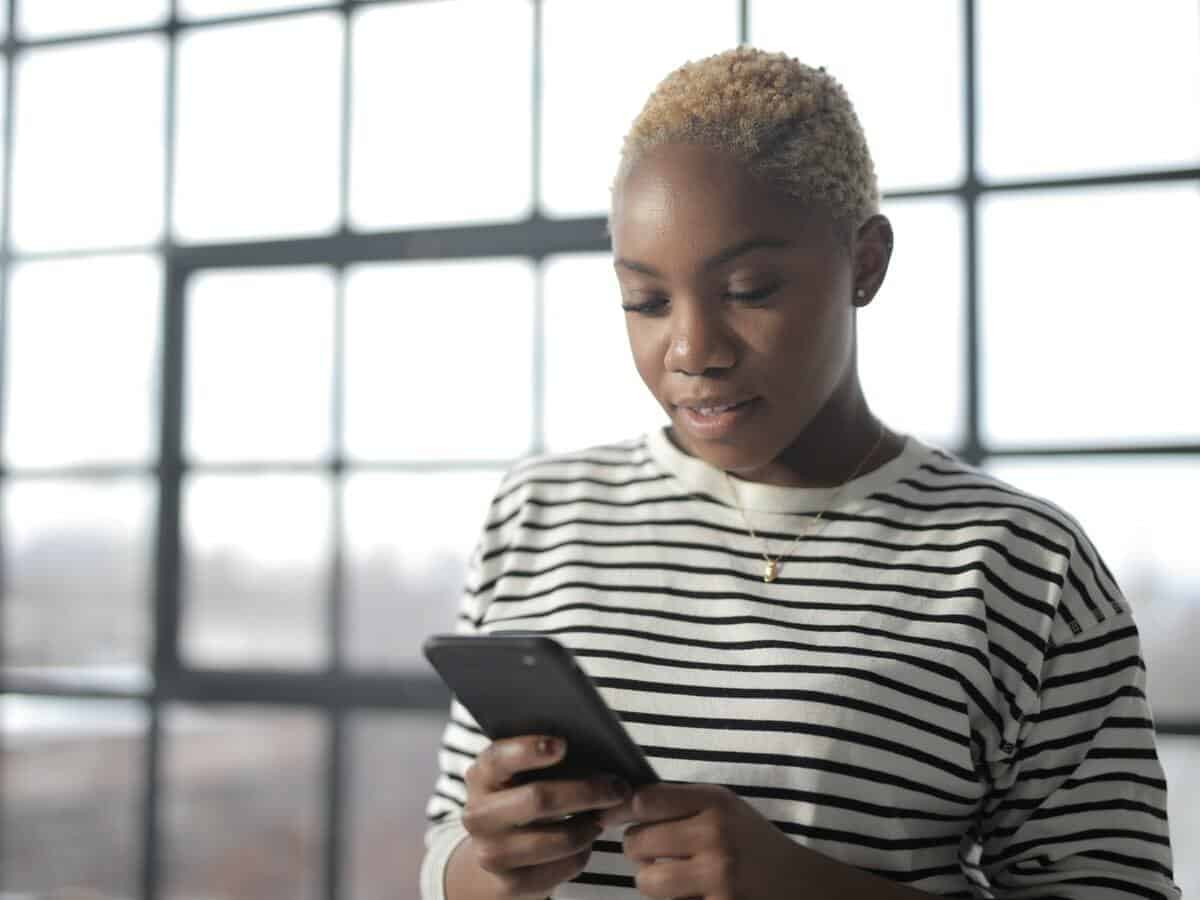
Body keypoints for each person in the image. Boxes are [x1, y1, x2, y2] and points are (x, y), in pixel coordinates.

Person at [420, 46, 1180, 900]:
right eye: (646, 300)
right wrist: (490, 864)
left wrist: (812, 889)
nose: (691, 351)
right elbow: (450, 840)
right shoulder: (540, 511)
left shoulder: (1023, 566)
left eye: (749, 288)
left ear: (865, 263)